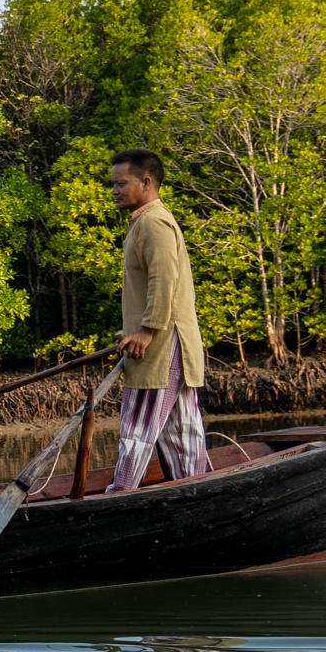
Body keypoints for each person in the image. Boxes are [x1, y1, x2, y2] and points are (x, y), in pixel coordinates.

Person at [107, 149, 211, 493]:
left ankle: (120, 494)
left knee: (137, 428)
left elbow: (163, 280)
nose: (115, 190)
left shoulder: (155, 222)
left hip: (162, 345)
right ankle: (196, 491)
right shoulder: (144, 222)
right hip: (162, 343)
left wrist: (147, 331)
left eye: (121, 183)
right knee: (183, 432)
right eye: (113, 184)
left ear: (146, 183)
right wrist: (132, 331)